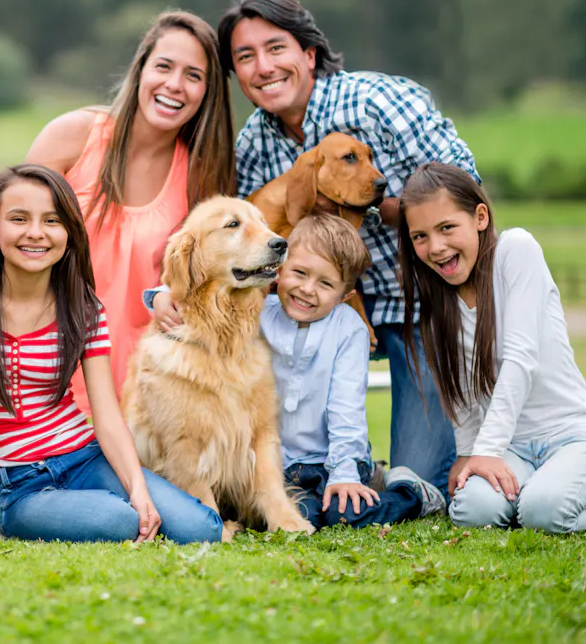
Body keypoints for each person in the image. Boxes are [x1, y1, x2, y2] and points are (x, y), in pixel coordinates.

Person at [211, 0, 478, 495]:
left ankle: (392, 467)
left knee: (417, 481)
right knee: (286, 466)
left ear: (309, 54)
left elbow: (466, 192)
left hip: (415, 303)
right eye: (245, 57)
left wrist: (370, 202)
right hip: (310, 315)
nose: (263, 67)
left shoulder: (374, 101)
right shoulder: (253, 142)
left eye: (276, 48)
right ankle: (317, 473)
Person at [0, 164, 223, 545]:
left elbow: (106, 415)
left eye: (52, 220)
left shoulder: (83, 309)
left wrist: (138, 488)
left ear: (70, 234)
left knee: (200, 528)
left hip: (81, 456)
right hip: (13, 482)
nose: (36, 233)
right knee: (118, 523)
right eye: (18, 219)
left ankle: (97, 504)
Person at [147, 214, 446, 529]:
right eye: (299, 273)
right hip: (269, 467)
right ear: (278, 270)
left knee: (341, 513)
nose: (306, 289)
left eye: (325, 283)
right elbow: (203, 285)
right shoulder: (257, 312)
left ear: (346, 295)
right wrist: (160, 296)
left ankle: (411, 494)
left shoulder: (348, 330)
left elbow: (347, 412)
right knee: (278, 513)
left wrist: (343, 474)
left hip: (325, 462)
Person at [26, 10, 235, 409]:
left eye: (194, 75)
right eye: (164, 66)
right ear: (141, 70)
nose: (174, 85)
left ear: (207, 92)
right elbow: (6, 240)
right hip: (44, 383)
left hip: (142, 398)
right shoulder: (75, 136)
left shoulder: (201, 182)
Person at [399, 163, 586, 533]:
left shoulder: (516, 251)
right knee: (472, 511)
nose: (435, 247)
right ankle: (536, 493)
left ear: (480, 217)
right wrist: (468, 452)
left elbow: (521, 359)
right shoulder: (439, 300)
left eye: (446, 228)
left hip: (568, 436)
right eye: (420, 236)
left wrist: (485, 450)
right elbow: (463, 390)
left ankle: (543, 495)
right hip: (511, 448)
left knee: (542, 512)